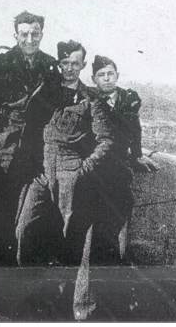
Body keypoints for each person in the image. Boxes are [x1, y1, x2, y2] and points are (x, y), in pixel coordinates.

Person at [15, 40, 116, 320]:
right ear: (58, 64)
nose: (69, 68)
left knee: (69, 241)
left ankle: (65, 306)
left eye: (75, 63)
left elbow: (106, 140)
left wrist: (82, 170)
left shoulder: (91, 100)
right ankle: (33, 292)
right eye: (64, 63)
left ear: (83, 65)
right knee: (25, 230)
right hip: (44, 173)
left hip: (71, 174)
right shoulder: (46, 93)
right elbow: (30, 126)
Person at [0, 10, 61, 263]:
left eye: (35, 34)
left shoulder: (51, 67)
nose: (29, 39)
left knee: (24, 218)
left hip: (33, 153)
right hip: (1, 149)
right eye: (24, 34)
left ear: (42, 34)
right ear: (15, 35)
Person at [91, 55, 158, 261]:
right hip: (96, 162)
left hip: (119, 162)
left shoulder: (128, 99)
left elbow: (134, 129)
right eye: (101, 75)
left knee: (121, 204)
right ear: (94, 79)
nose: (107, 78)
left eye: (110, 73)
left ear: (117, 75)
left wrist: (137, 155)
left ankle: (113, 254)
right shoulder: (90, 99)